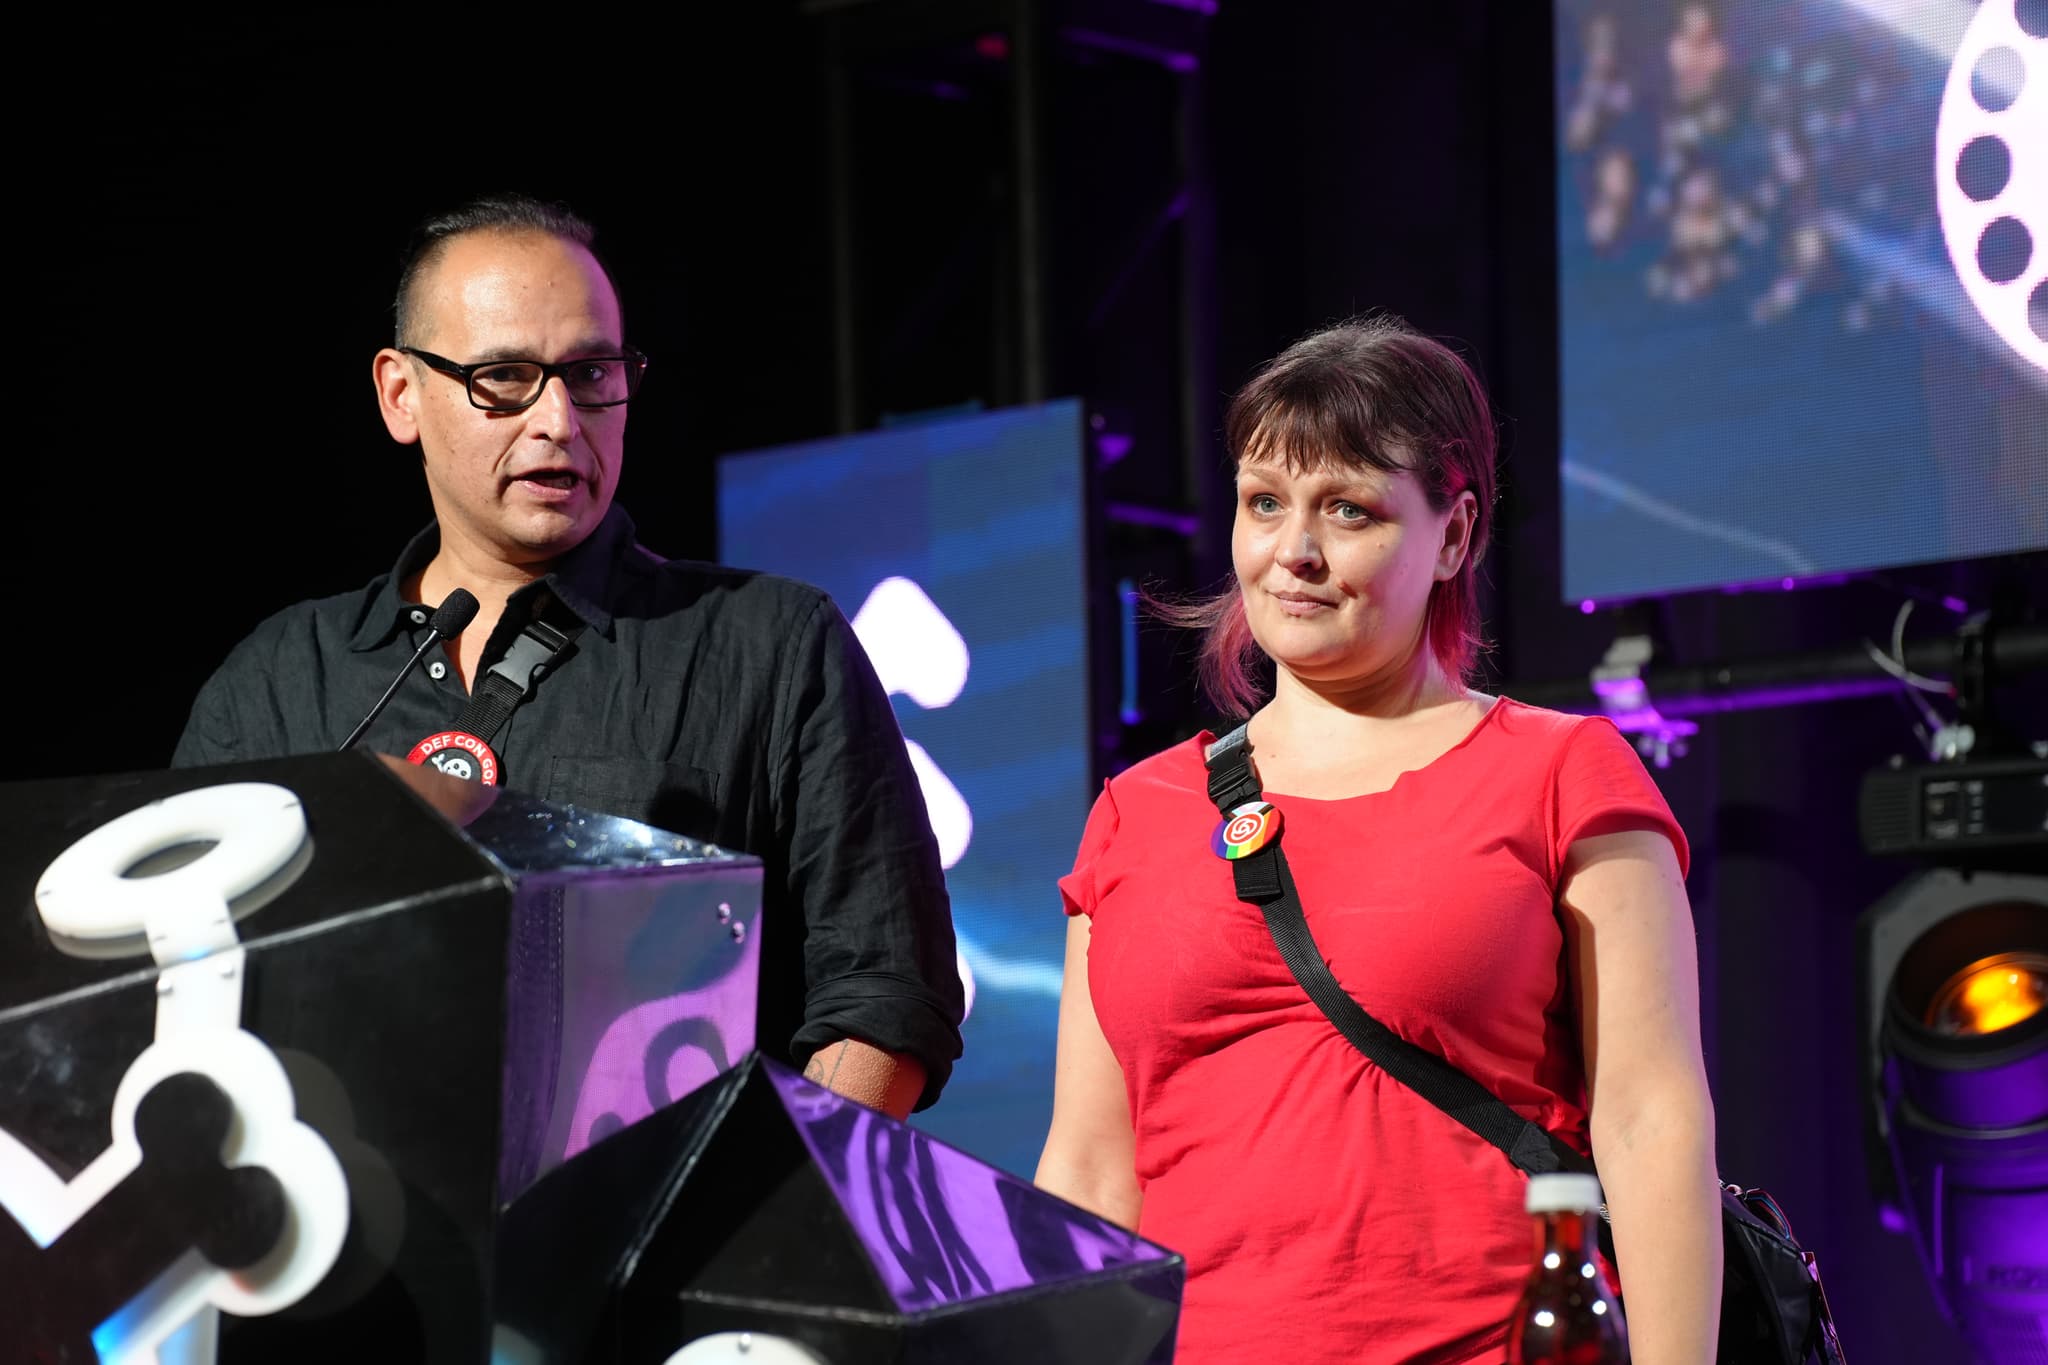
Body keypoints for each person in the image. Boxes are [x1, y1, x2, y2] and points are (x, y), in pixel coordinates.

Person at [172, 194, 962, 1122]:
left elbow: (884, 993)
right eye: (503, 377)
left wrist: (776, 1208)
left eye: (591, 373)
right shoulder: (279, 684)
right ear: (400, 394)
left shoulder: (772, 645)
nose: (558, 418)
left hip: (663, 1242)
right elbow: (179, 979)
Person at [1035, 317, 1721, 1363]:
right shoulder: (1136, 811)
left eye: (1347, 511)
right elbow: (1089, 1174)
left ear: (1453, 536)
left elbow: (1649, 1122)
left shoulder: (1556, 771)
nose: (1292, 551)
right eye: (1264, 503)